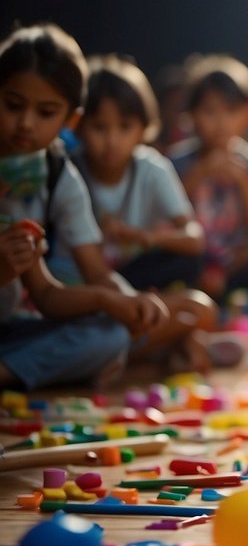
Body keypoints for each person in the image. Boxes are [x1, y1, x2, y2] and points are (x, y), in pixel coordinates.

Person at [0, 24, 166, 390]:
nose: (26, 123)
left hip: (8, 328)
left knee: (108, 335)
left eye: (45, 112)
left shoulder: (56, 173)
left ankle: (8, 372)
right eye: (13, 105)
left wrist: (121, 301)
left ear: (69, 121)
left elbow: (47, 294)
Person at [66, 55, 235, 372]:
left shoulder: (151, 168)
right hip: (82, 292)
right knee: (188, 313)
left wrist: (145, 237)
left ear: (144, 127)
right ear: (78, 125)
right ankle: (166, 340)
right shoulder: (68, 170)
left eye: (125, 127)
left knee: (201, 304)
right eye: (100, 127)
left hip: (131, 283)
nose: (112, 141)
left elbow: (194, 240)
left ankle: (146, 341)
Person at [169, 54, 248, 300]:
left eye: (231, 111)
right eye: (210, 111)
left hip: (231, 259)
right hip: (192, 255)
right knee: (171, 260)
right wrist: (199, 174)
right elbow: (165, 218)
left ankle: (216, 286)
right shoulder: (178, 160)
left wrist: (244, 182)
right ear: (190, 115)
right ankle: (204, 290)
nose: (221, 122)